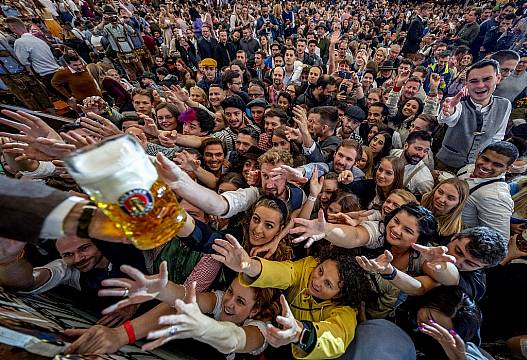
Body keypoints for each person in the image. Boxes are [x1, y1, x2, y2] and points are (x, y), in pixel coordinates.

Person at [213, 237, 370, 359]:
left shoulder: (346, 312)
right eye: (320, 271)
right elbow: (283, 272)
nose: (316, 281)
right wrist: (249, 266)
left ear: (341, 294)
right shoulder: (308, 266)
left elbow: (335, 339)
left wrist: (299, 334)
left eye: (328, 284)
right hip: (280, 337)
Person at [436, 59, 511, 172]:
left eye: (486, 79)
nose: (480, 85)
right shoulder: (459, 102)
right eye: (474, 81)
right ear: (467, 84)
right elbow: (449, 118)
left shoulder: (504, 105)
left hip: (475, 168)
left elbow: (497, 137)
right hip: (446, 164)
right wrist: (448, 112)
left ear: (498, 78)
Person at [458, 141, 519, 239]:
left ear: (508, 169)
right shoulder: (468, 168)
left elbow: (499, 241)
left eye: (497, 165)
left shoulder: (496, 197)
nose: (487, 166)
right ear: (478, 155)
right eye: (485, 159)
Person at [421, 178, 469, 243]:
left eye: (450, 198)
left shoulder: (454, 234)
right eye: (440, 192)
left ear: (458, 204)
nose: (441, 200)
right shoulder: (418, 203)